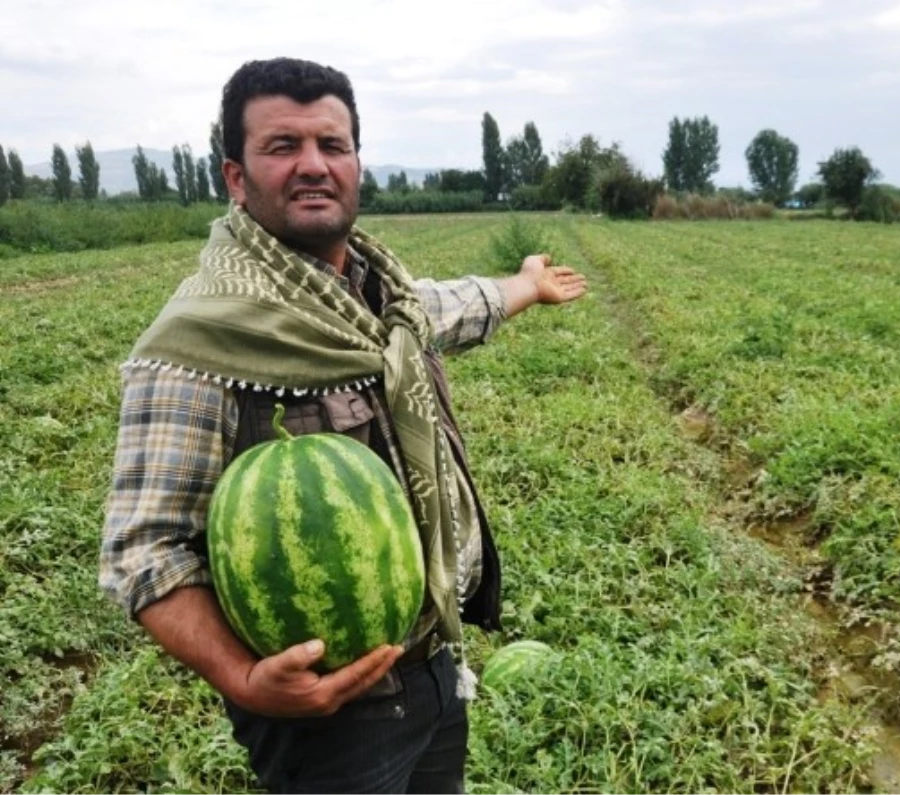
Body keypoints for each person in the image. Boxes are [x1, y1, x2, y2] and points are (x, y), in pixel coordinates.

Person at [99, 57, 587, 793]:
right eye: (282, 146)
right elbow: (143, 549)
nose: (313, 166)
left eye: (332, 144)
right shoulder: (199, 343)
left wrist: (525, 284)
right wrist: (247, 679)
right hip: (329, 714)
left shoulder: (379, 300)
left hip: (432, 657)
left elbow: (449, 306)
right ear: (236, 176)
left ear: (357, 159)